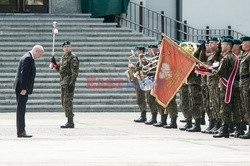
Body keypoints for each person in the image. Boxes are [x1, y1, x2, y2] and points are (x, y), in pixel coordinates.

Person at [209, 38, 241, 138]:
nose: (221, 46)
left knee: (225, 108)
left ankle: (225, 129)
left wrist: (211, 71)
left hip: (226, 86)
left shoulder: (226, 58)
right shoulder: (235, 57)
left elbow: (220, 73)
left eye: (223, 45)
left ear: (228, 46)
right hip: (234, 85)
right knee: (236, 108)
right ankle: (239, 129)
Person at [13, 45, 44, 138]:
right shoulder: (27, 58)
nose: (40, 56)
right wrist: (23, 88)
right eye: (40, 54)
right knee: (21, 110)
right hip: (22, 89)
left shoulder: (27, 57)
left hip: (22, 88)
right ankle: (21, 131)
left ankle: (21, 130)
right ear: (36, 51)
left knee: (21, 109)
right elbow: (24, 74)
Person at [50, 41, 79, 128]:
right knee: (63, 102)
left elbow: (75, 73)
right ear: (63, 48)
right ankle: (69, 120)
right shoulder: (63, 57)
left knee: (67, 102)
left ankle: (70, 122)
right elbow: (59, 69)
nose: (67, 48)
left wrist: (71, 84)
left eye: (68, 46)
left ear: (71, 47)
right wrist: (54, 63)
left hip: (68, 83)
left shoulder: (73, 58)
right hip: (63, 82)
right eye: (65, 47)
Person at [239, 36, 250, 139]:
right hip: (243, 84)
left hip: (247, 84)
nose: (242, 45)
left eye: (244, 43)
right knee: (245, 107)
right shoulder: (243, 55)